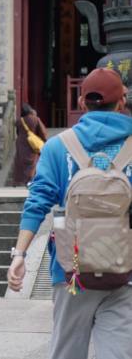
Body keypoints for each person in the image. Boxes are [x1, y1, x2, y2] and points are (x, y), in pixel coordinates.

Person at [8, 68, 132, 359]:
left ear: (81, 103)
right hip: (125, 266)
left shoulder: (57, 147)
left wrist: (20, 256)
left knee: (67, 352)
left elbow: (37, 202)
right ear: (122, 102)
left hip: (71, 269)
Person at [13, 104, 48, 186]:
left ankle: (20, 181)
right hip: (32, 144)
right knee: (32, 163)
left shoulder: (19, 121)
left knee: (22, 163)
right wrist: (44, 141)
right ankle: (30, 180)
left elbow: (17, 132)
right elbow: (42, 132)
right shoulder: (35, 119)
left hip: (21, 143)